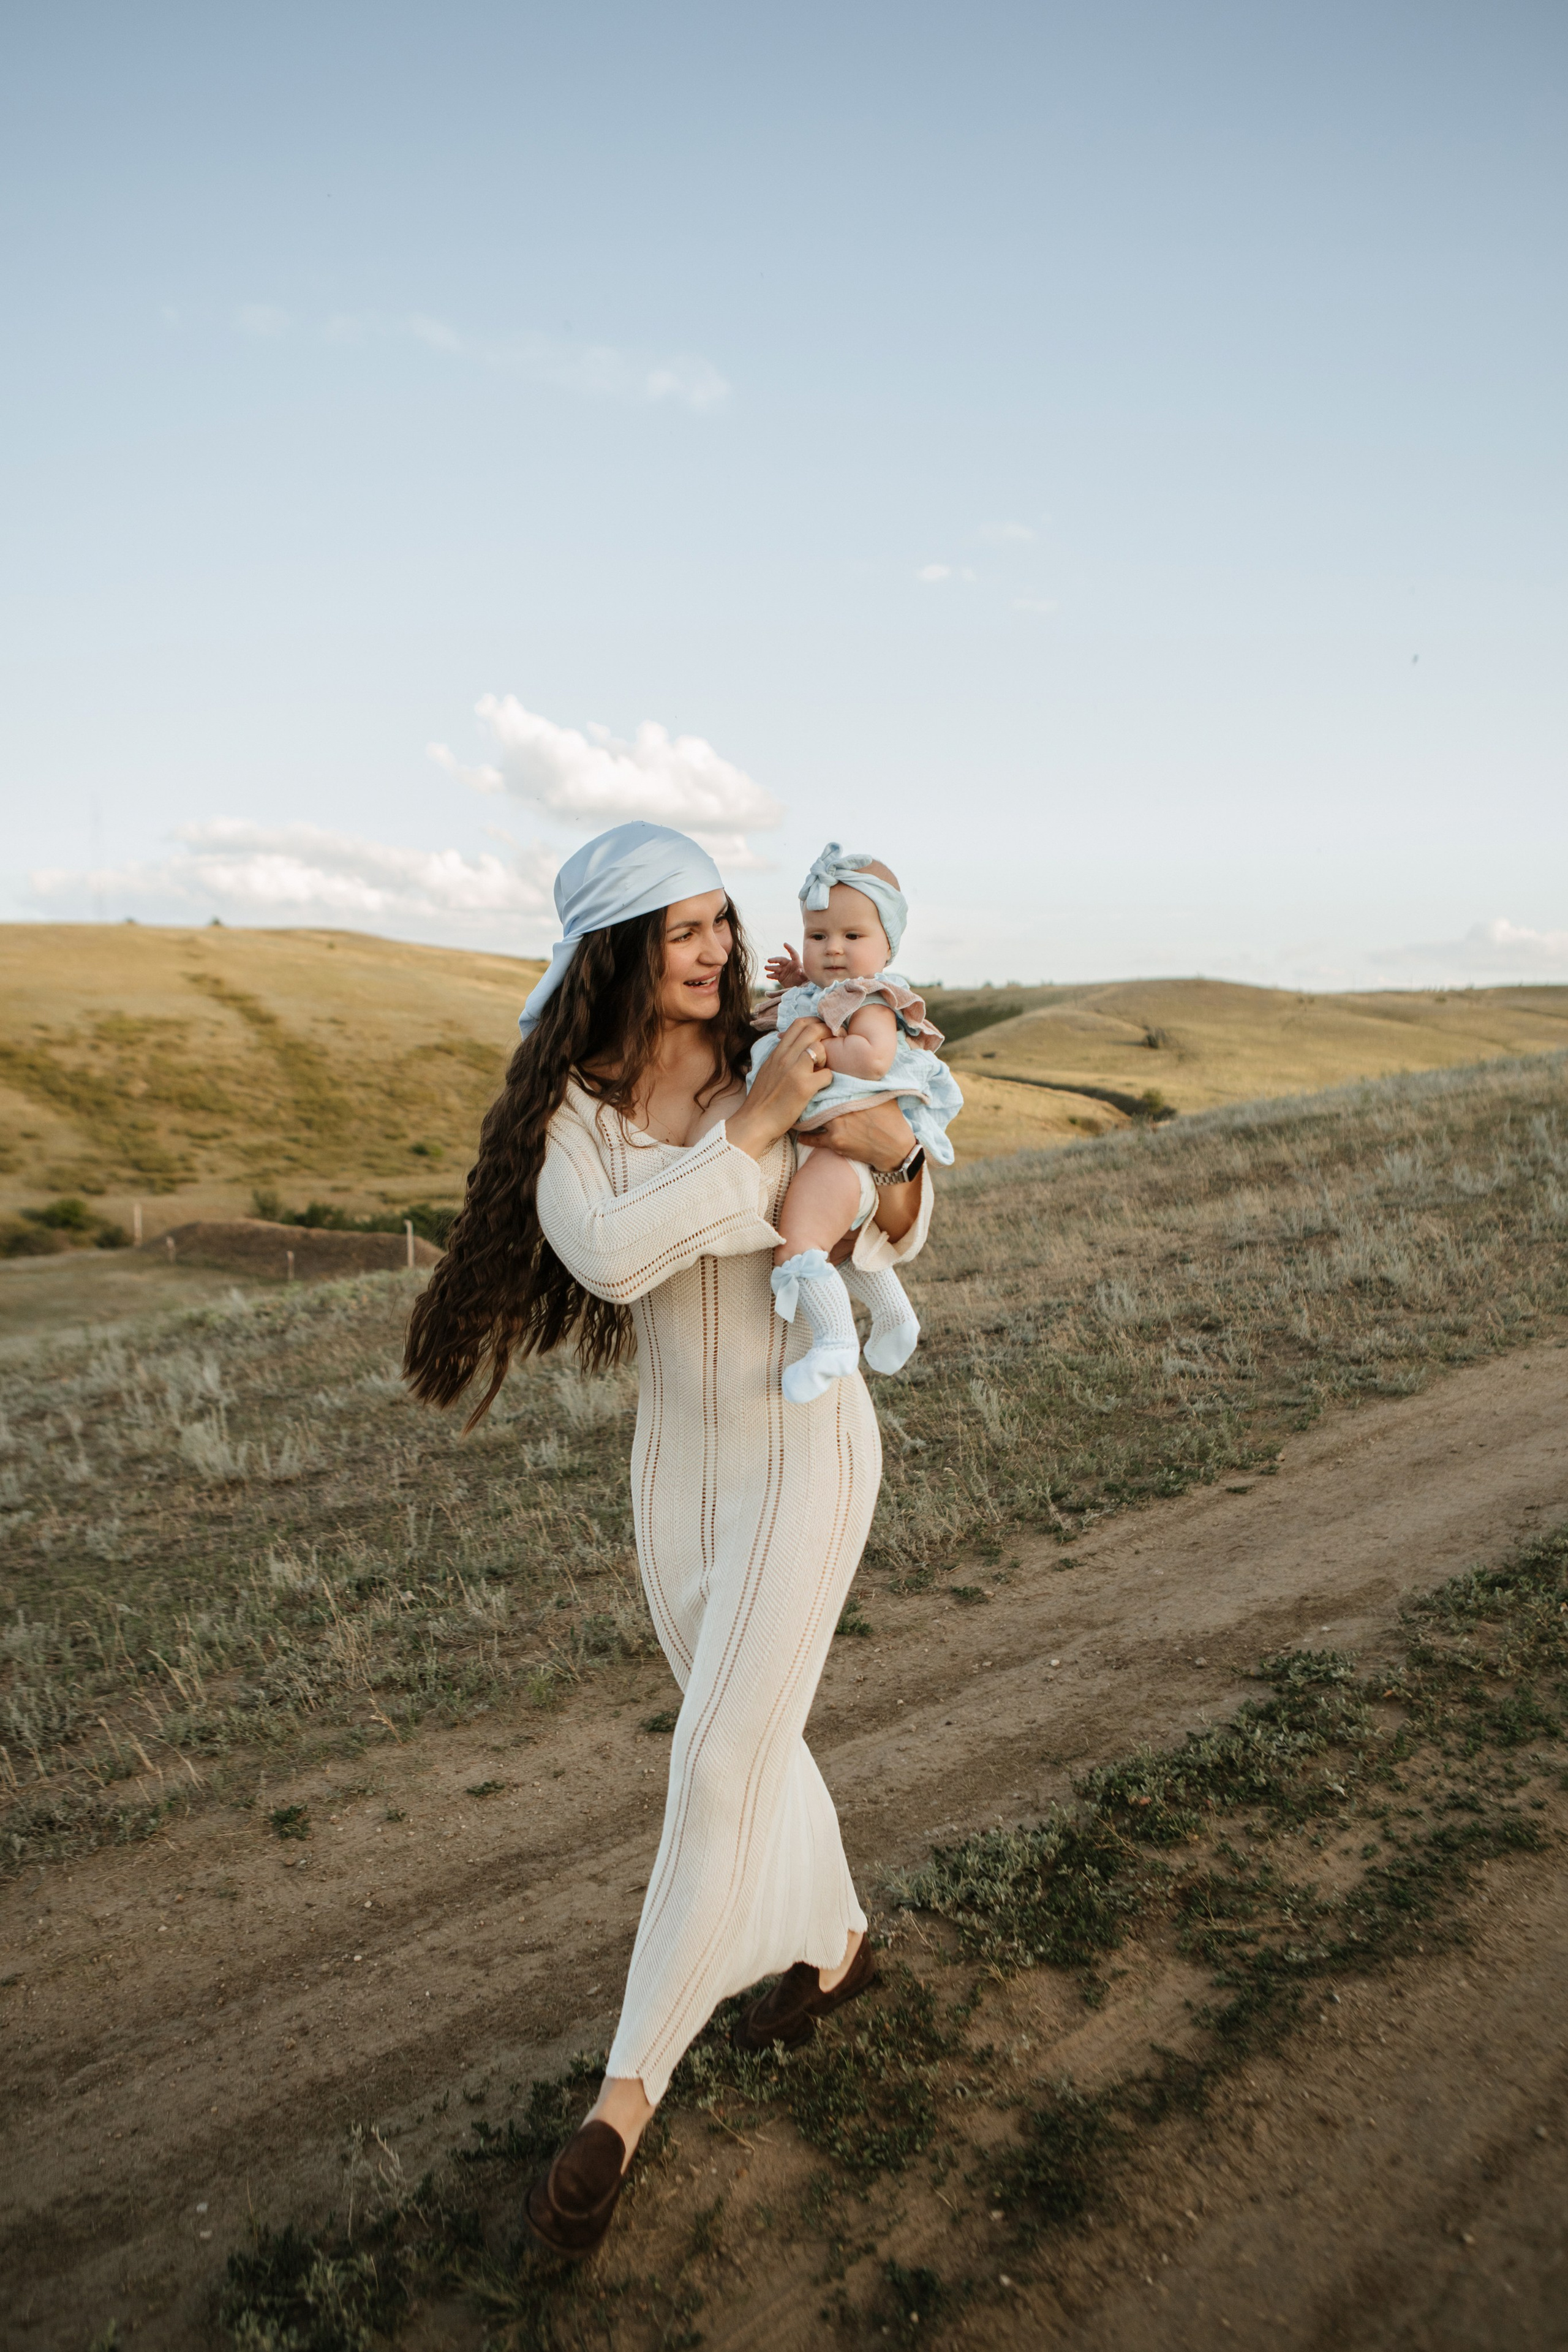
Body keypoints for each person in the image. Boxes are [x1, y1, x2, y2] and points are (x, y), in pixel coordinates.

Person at [403, 820, 934, 2261]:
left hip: (805, 1456)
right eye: (681, 927)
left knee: (713, 1765)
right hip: (675, 1483)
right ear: (616, 947)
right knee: (743, 1737)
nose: (712, 948)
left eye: (721, 921)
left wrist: (881, 1156)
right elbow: (617, 1252)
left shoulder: (783, 1044)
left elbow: (892, 1201)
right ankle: (831, 1949)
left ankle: (617, 2110)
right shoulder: (575, 1121)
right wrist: (755, 1126)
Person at [747, 842, 963, 1401]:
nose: (833, 950)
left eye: (852, 937)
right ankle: (895, 1316)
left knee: (799, 1246)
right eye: (819, 938)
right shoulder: (828, 995)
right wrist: (800, 979)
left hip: (846, 1151)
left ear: (887, 945)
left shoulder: (871, 999)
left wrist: (812, 1057)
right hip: (840, 1151)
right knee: (841, 1246)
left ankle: (834, 1343)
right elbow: (819, 1003)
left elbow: (870, 1058)